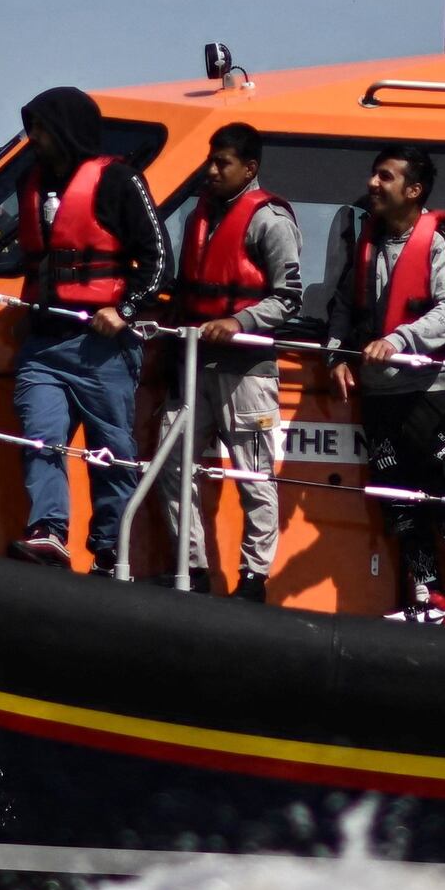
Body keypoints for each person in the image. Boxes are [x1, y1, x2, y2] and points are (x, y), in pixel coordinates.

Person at [0, 88, 164, 567]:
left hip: (102, 347)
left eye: (42, 129)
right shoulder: (27, 181)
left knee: (109, 451)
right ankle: (48, 532)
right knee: (40, 439)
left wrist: (127, 310)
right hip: (42, 345)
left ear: (66, 130)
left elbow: (157, 261)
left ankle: (111, 549)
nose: (34, 138)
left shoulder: (119, 181)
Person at [144, 124, 308, 595]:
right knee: (170, 465)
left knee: (254, 477)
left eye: (223, 163)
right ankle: (191, 570)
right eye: (211, 161)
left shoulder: (269, 220)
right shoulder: (198, 215)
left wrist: (241, 322)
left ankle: (254, 578)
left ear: (249, 168)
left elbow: (289, 298)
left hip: (247, 373)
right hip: (193, 364)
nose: (212, 170)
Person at [322, 143, 445, 622]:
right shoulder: (366, 241)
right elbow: (344, 306)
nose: (374, 184)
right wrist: (336, 355)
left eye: (385, 177)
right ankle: (426, 596)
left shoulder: (441, 241)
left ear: (414, 190)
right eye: (375, 174)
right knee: (398, 499)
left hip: (429, 390)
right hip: (379, 393)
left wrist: (399, 339)